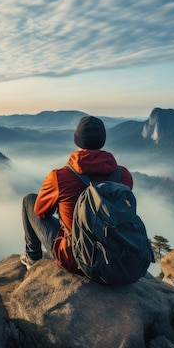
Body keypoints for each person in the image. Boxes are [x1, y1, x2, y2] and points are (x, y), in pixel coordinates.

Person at [21, 115, 134, 274]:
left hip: (76, 260)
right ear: (102, 141)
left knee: (29, 201)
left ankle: (32, 259)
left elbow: (40, 211)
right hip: (115, 256)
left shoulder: (60, 177)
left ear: (77, 140)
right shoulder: (124, 175)